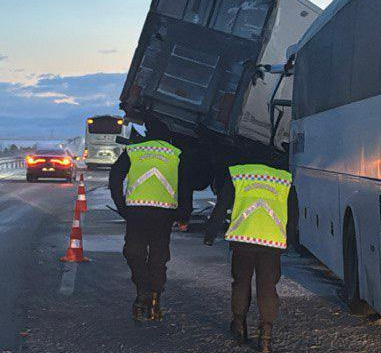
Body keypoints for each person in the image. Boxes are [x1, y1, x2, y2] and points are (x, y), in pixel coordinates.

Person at [204, 154, 298, 353]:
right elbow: (293, 214)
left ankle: (239, 325)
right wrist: (289, 241)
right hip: (271, 242)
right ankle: (265, 335)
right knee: (267, 287)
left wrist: (210, 234)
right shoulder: (284, 180)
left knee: (241, 283)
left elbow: (222, 205)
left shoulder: (239, 175)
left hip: (243, 240)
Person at [109, 119, 192, 322]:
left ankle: (143, 292)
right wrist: (183, 215)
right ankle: (154, 297)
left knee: (133, 252)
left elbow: (115, 178)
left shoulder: (134, 150)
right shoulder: (176, 153)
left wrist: (122, 206)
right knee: (159, 257)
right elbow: (185, 186)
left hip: (136, 212)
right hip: (164, 214)